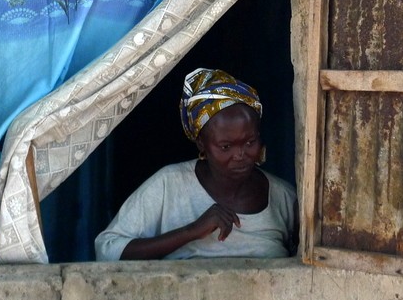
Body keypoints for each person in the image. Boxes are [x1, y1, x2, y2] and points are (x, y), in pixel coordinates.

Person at [95, 68, 298, 261]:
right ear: (201, 143)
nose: (240, 155)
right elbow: (107, 249)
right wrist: (191, 231)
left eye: (249, 142)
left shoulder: (284, 198)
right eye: (226, 146)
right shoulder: (169, 185)